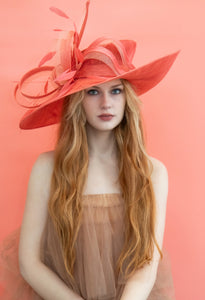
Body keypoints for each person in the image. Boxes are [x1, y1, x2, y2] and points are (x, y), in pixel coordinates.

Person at [0, 1, 179, 299]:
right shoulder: (48, 168)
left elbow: (147, 262)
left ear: (127, 100)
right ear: (77, 102)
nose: (106, 103)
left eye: (116, 91)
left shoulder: (153, 172)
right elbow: (29, 263)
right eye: (93, 92)